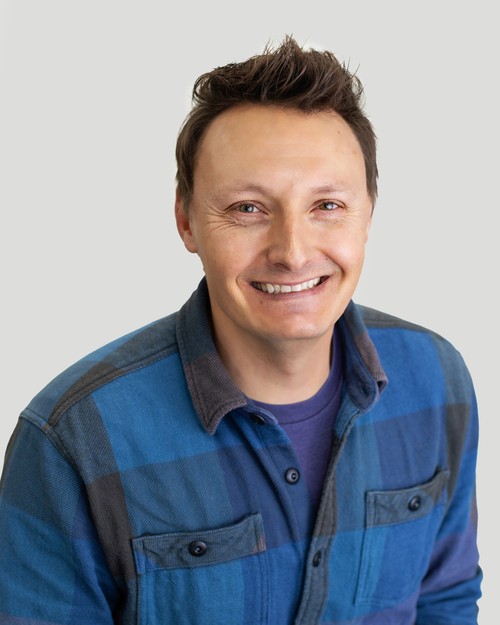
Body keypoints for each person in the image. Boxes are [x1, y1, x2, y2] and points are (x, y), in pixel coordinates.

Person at [0, 36, 481, 625]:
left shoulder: (436, 380)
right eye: (248, 208)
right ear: (186, 220)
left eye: (327, 205)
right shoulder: (72, 441)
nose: (293, 252)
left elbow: (444, 600)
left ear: (368, 212)